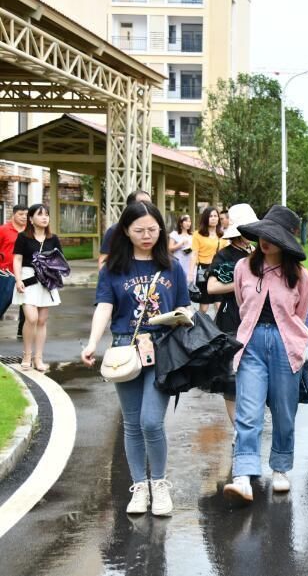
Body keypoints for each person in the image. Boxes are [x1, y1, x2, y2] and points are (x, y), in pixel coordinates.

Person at [81, 202, 191, 516]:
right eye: (139, 230)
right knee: (131, 424)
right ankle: (139, 486)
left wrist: (180, 319)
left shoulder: (172, 266)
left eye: (152, 230)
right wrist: (92, 343)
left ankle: (159, 483)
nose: (146, 236)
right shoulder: (114, 269)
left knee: (150, 421)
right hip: (124, 351)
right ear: (125, 231)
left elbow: (186, 307)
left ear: (161, 230)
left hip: (164, 351)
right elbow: (103, 307)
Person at [223, 205, 308, 503]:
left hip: (287, 344)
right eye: (263, 235)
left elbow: (300, 313)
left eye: (273, 237)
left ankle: (281, 469)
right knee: (248, 412)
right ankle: (244, 475)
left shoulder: (299, 275)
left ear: (285, 241)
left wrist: (293, 341)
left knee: (285, 413)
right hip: (250, 343)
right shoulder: (242, 268)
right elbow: (241, 303)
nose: (265, 241)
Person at [205, 204, 259, 428]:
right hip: (230, 320)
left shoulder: (257, 253)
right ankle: (238, 430)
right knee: (231, 380)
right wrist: (240, 282)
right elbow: (211, 288)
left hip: (255, 319)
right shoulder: (224, 255)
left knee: (252, 375)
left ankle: (248, 426)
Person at [13, 204, 64, 372]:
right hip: (28, 280)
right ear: (31, 219)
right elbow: (18, 260)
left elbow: (60, 260)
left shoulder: (53, 238)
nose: (44, 217)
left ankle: (38, 358)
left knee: (42, 321)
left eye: (47, 215)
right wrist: (18, 279)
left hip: (46, 282)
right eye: (40, 214)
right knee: (32, 318)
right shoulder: (23, 237)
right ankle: (27, 355)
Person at [98, 189, 153, 269]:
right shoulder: (114, 230)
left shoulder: (156, 229)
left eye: (149, 204)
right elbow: (103, 260)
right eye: (142, 203)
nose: (146, 207)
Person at [190, 207, 227, 314]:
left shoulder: (222, 235)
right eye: (210, 216)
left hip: (219, 270)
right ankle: (201, 328)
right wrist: (190, 273)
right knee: (204, 306)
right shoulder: (198, 234)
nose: (213, 218)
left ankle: (218, 329)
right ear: (206, 218)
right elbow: (194, 254)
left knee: (219, 303)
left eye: (215, 216)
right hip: (204, 271)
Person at [0, 204, 28, 319]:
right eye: (21, 214)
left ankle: (22, 333)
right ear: (13, 215)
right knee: (3, 302)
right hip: (7, 273)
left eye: (26, 214)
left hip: (27, 272)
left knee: (27, 305)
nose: (24, 217)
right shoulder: (3, 230)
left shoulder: (30, 231)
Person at [168, 214, 193, 280]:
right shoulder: (174, 234)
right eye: (186, 221)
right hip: (178, 261)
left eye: (189, 221)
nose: (188, 223)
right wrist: (180, 244)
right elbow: (170, 248)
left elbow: (194, 250)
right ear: (180, 223)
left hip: (189, 262)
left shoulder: (192, 236)